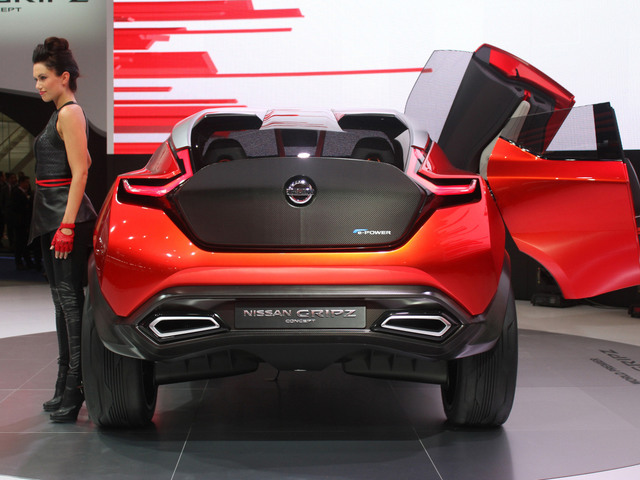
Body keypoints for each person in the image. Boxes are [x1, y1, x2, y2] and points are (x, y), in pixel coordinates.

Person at [31, 37, 97, 423]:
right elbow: (84, 158)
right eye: (36, 78)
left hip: (64, 220)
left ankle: (75, 389)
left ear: (64, 77)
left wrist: (68, 226)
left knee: (71, 304)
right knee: (62, 304)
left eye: (43, 77)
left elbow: (81, 171)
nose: (38, 84)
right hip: (52, 217)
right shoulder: (61, 112)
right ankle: (64, 385)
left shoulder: (70, 113)